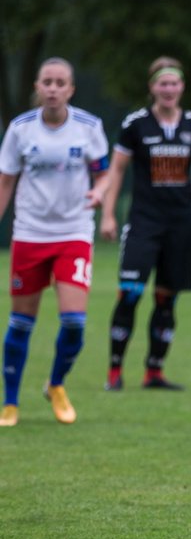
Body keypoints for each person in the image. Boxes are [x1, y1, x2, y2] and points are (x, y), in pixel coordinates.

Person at [94, 56, 191, 391]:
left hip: (179, 224)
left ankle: (154, 371)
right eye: (162, 83)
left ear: (182, 87)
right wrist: (108, 214)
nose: (168, 89)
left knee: (167, 299)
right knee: (130, 294)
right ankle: (114, 371)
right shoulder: (136, 124)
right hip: (143, 222)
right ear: (152, 87)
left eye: (174, 83)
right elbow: (117, 170)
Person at [0, 58, 110, 426]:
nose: (52, 88)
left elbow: (104, 174)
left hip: (74, 233)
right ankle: (11, 403)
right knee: (20, 323)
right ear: (37, 86)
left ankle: (56, 384)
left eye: (60, 82)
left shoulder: (89, 127)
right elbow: (5, 183)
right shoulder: (19, 130)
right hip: (30, 233)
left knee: (75, 321)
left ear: (71, 90)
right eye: (46, 81)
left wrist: (99, 192)